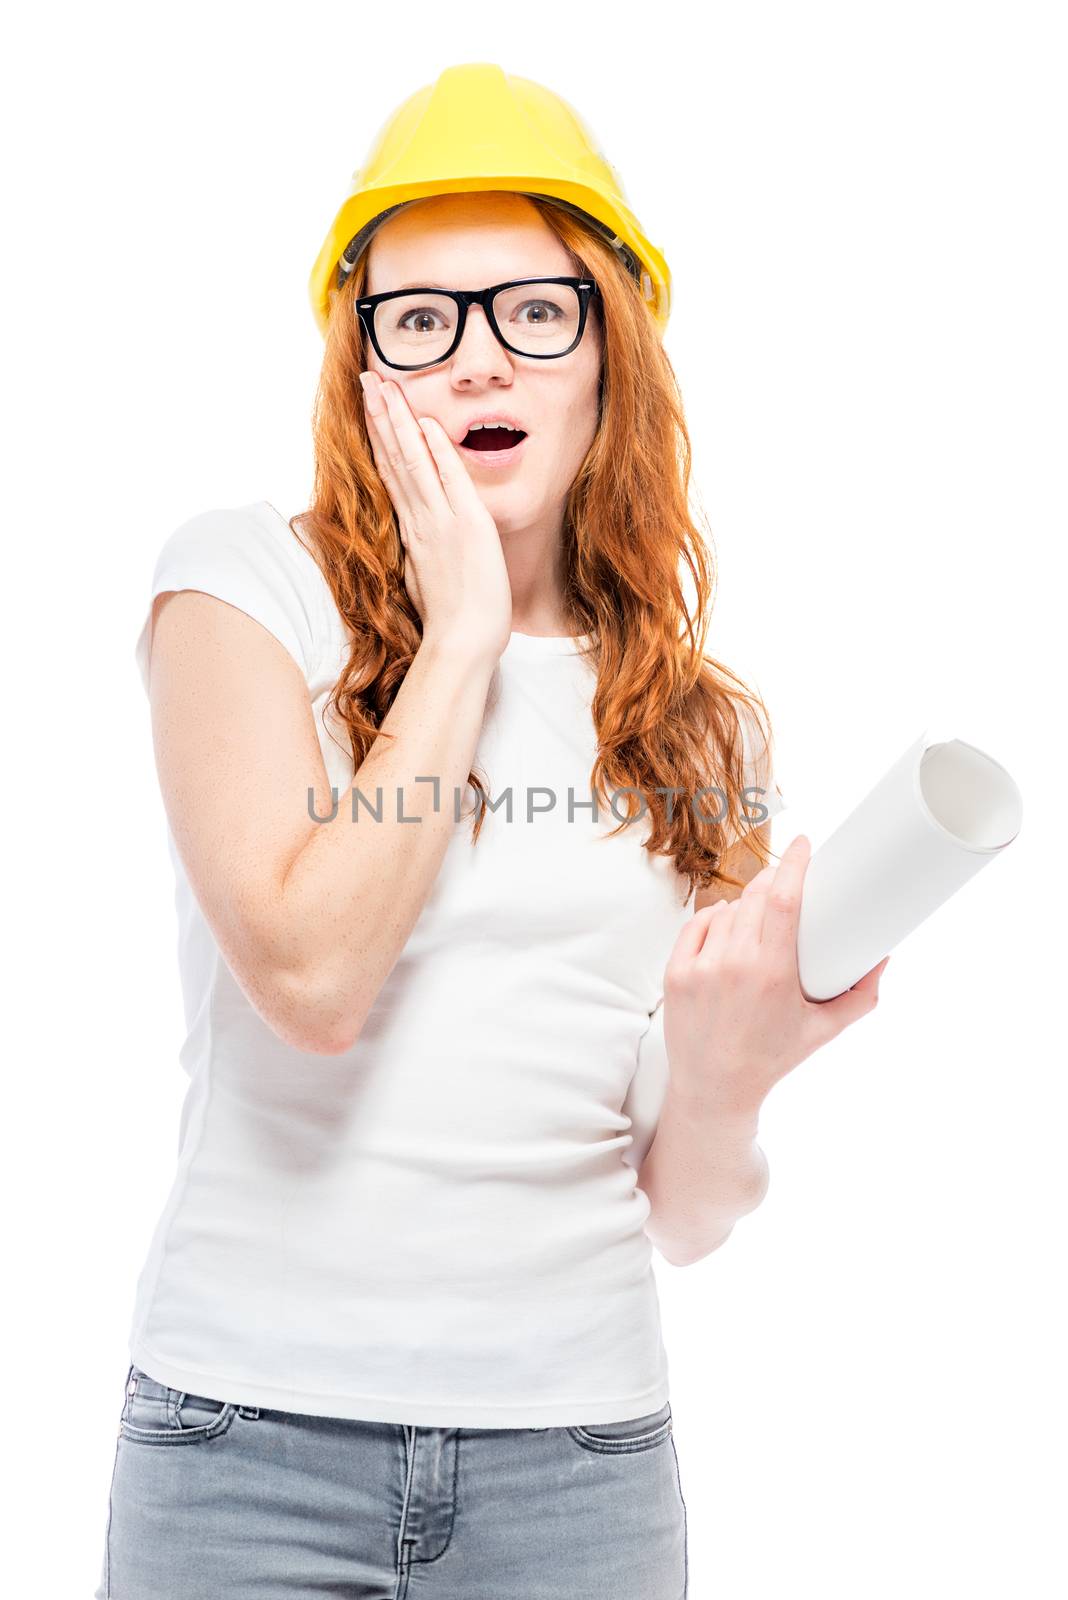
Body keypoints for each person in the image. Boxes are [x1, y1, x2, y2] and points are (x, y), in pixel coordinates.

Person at [93, 62, 885, 1600]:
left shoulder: (695, 726)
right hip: (240, 1452)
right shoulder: (244, 593)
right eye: (423, 319)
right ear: (362, 361)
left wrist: (728, 1077)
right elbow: (312, 980)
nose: (478, 363)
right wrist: (462, 639)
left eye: (535, 310)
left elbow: (687, 1215)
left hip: (575, 1469)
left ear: (611, 348)